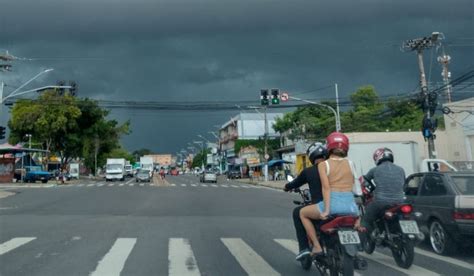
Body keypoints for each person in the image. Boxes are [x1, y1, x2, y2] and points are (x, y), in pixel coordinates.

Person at [299, 132, 360, 257]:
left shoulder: (323, 164)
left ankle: (316, 246)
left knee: (302, 213)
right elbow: (357, 189)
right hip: (351, 208)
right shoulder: (351, 163)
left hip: (333, 205)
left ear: (329, 147)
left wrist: (326, 210)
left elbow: (326, 188)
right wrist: (358, 215)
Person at [284, 142, 327, 260]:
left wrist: (287, 187)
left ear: (311, 157)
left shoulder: (309, 171)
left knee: (297, 212)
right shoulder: (333, 168)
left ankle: (304, 248)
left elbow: (295, 183)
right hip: (342, 206)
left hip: (321, 207)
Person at [361, 148, 405, 235]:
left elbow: (364, 182)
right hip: (400, 202)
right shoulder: (401, 169)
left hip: (381, 201)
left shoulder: (375, 170)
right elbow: (403, 183)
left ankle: (364, 240)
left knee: (366, 219)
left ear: (378, 157)